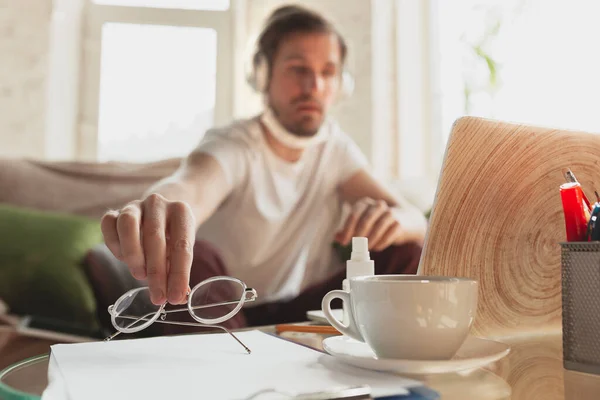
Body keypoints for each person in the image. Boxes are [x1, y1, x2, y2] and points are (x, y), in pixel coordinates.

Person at [99, 5, 427, 330]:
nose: (314, 86)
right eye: (298, 69)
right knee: (196, 255)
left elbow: (418, 221)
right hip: (222, 308)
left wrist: (396, 220)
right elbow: (192, 185)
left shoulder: (336, 149)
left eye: (328, 72)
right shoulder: (236, 144)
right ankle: (224, 360)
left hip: (300, 308)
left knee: (407, 252)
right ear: (262, 74)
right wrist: (164, 205)